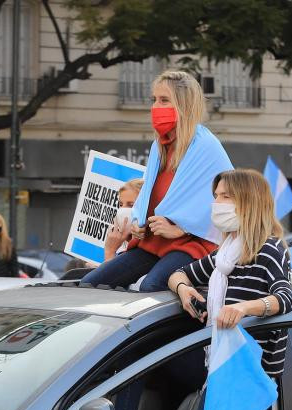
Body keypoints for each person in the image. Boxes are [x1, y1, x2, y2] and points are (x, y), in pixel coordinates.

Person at [82, 70, 231, 291]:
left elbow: (228, 200)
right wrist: (138, 223)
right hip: (153, 242)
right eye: (154, 100)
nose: (155, 107)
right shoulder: (158, 147)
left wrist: (182, 229)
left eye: (164, 100)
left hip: (192, 244)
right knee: (91, 284)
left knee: (151, 287)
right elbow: (147, 197)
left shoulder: (206, 146)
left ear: (184, 105)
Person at [167, 168, 292, 380]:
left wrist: (242, 308)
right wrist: (184, 290)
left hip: (249, 378)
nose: (217, 203)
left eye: (226, 196)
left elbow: (284, 299)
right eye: (216, 196)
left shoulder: (269, 249)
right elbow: (177, 274)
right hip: (219, 369)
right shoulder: (224, 255)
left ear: (248, 202)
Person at [103, 179, 144, 261]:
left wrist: (110, 252)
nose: (122, 209)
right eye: (121, 204)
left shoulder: (145, 248)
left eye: (131, 205)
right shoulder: (120, 243)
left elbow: (111, 274)